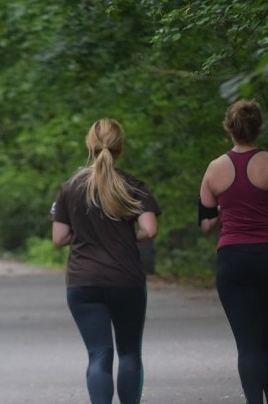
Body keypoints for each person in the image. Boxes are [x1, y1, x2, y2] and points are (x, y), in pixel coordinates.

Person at [198, 99, 268, 404]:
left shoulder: (214, 169)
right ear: (259, 127)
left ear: (228, 127)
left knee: (248, 346)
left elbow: (206, 225)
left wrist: (222, 212)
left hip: (234, 261)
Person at [51, 118, 160, 404]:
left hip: (83, 281)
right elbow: (149, 230)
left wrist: (85, 233)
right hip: (126, 280)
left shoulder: (69, 188)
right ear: (120, 146)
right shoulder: (133, 186)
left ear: (90, 145)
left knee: (98, 354)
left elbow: (59, 238)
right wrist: (125, 238)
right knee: (129, 352)